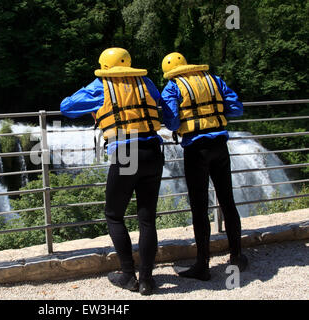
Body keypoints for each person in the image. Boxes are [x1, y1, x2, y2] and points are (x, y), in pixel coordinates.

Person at [60, 48, 166, 295]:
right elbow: (158, 101)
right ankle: (147, 280)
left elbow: (66, 106)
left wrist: (97, 107)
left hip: (126, 151)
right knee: (147, 217)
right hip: (152, 149)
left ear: (103, 67)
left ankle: (128, 276)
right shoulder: (145, 82)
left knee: (114, 214)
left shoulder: (101, 85)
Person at [160, 52, 248, 281]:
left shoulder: (172, 87)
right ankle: (237, 256)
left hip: (196, 149)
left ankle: (202, 264)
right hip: (220, 145)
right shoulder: (214, 80)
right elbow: (236, 108)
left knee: (199, 207)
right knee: (227, 201)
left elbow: (172, 121)